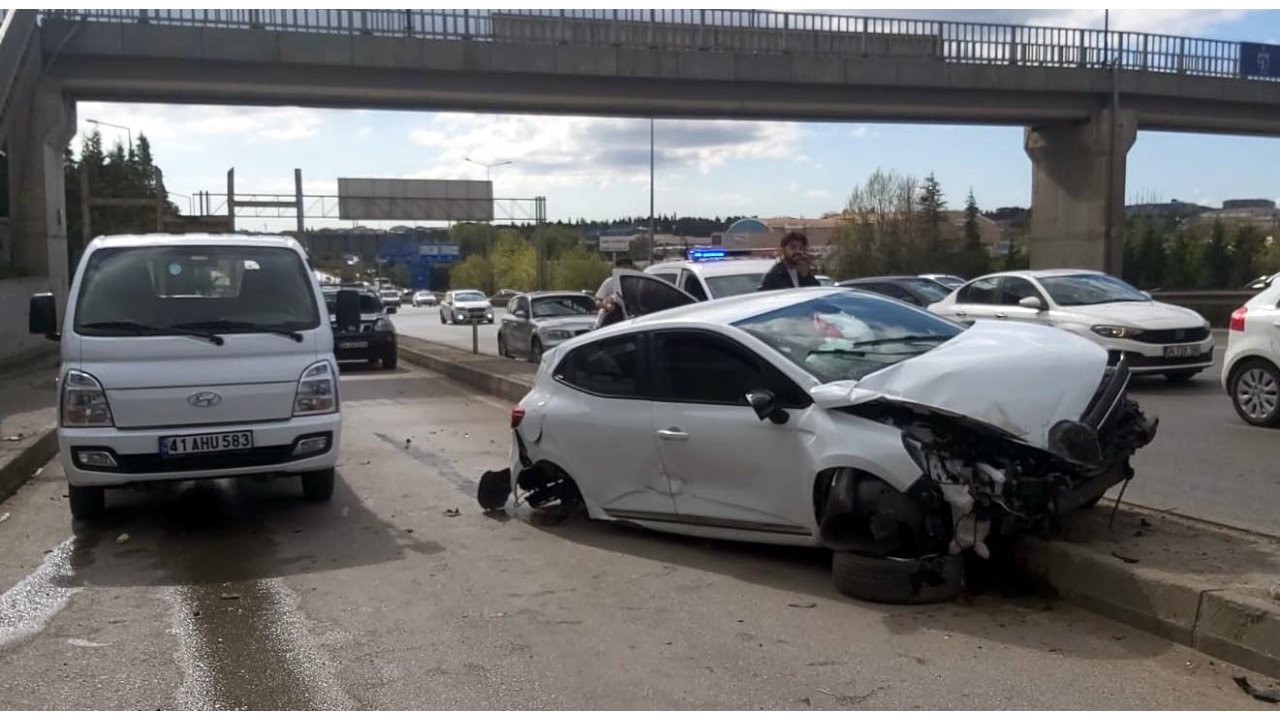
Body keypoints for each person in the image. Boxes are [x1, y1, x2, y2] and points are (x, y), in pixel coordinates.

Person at [594, 258, 634, 328]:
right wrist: (607, 306)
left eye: (628, 267)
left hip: (628, 321)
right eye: (624, 266)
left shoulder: (634, 283)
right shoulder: (610, 282)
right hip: (609, 321)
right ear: (617, 268)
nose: (627, 269)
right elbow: (597, 301)